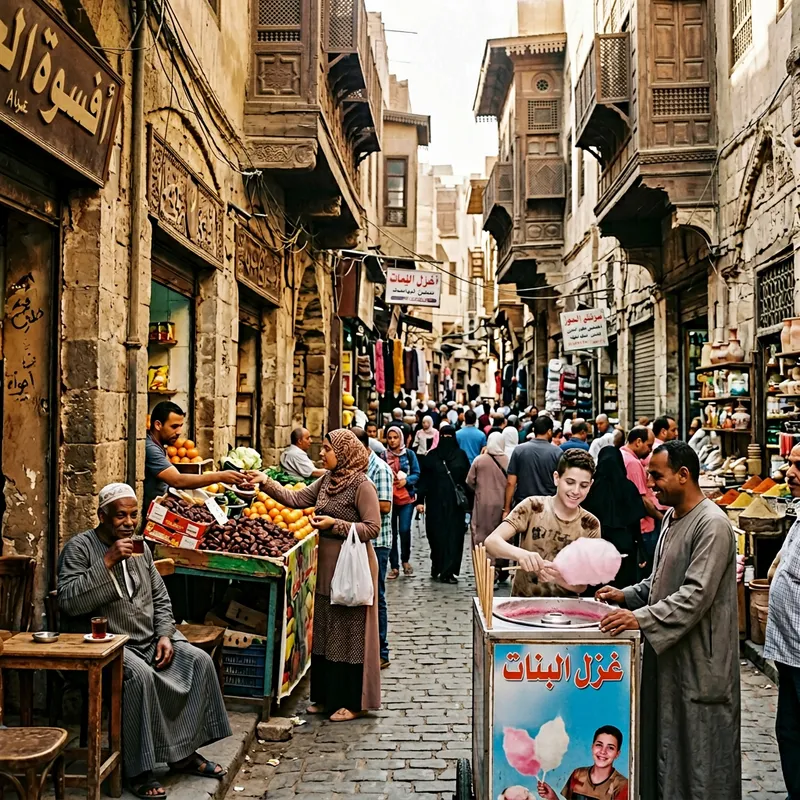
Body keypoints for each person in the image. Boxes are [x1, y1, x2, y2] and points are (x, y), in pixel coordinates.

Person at [58, 483, 231, 799]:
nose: (127, 522)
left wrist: (165, 634)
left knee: (199, 661)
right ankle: (137, 771)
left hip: (150, 639)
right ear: (102, 516)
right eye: (120, 516)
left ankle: (183, 754)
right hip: (109, 646)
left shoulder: (140, 546)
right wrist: (107, 562)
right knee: (139, 678)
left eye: (132, 515)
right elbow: (68, 601)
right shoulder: (79, 548)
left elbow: (160, 597)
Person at [597, 441, 740, 800]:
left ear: (684, 475)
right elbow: (661, 579)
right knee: (664, 750)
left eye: (657, 477)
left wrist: (639, 619)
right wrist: (626, 595)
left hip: (699, 665)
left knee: (700, 760)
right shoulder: (670, 519)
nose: (652, 485)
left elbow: (695, 594)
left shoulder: (713, 525)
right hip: (668, 661)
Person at [247, 429, 381, 722]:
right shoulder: (327, 481)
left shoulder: (362, 486)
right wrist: (265, 482)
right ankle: (325, 697)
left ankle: (352, 702)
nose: (321, 454)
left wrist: (336, 524)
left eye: (327, 450)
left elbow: (372, 528)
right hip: (327, 567)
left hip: (352, 566)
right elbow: (295, 499)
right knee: (326, 629)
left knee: (349, 633)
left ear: (343, 453)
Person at [487, 449, 600, 596]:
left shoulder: (591, 524)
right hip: (523, 604)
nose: (576, 491)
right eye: (570, 482)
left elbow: (582, 585)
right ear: (556, 478)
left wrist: (557, 577)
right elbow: (491, 542)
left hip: (565, 611)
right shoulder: (533, 507)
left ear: (591, 485)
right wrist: (521, 555)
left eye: (583, 485)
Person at [764, 444, 800, 796]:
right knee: (789, 729)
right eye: (790, 463)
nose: (790, 472)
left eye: (799, 465)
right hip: (789, 651)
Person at [144, 401, 244, 515]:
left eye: (181, 426)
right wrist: (220, 476)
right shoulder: (150, 448)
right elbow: (177, 480)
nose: (179, 432)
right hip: (154, 513)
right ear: (158, 425)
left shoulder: (159, 444)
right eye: (174, 426)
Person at [352, 427, 393, 670]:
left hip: (377, 544)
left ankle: (382, 650)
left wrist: (356, 503)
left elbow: (385, 506)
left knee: (376, 596)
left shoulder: (380, 469)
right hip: (358, 541)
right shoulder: (355, 469)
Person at [582, 447, 645, 588]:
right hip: (624, 547)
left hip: (596, 546)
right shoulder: (628, 488)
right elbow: (635, 523)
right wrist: (641, 548)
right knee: (622, 587)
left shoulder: (590, 489)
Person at [415, 425, 470, 583]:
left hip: (452, 505)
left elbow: (467, 480)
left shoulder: (457, 456)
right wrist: (419, 501)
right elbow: (424, 480)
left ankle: (448, 571)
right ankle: (438, 564)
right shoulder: (435, 456)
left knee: (452, 537)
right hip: (436, 504)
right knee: (437, 536)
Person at [537, 725, 628, 800]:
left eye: (610, 748)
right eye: (599, 745)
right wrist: (552, 797)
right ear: (592, 747)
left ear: (617, 754)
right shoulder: (578, 775)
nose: (603, 751)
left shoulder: (622, 785)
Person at [621, 427, 662, 575]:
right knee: (648, 571)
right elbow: (642, 499)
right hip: (644, 526)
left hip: (632, 525)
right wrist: (662, 518)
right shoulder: (632, 463)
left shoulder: (621, 455)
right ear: (638, 442)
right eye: (649, 445)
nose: (650, 451)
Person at [504, 415, 562, 514]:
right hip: (548, 506)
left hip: (523, 505)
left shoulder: (519, 450)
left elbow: (511, 483)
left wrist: (506, 509)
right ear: (549, 431)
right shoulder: (557, 452)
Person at [385, 426, 420, 579]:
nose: (392, 441)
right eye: (390, 438)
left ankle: (405, 559)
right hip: (389, 500)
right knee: (391, 533)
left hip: (406, 498)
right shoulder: (383, 456)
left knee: (404, 529)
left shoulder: (410, 454)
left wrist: (406, 481)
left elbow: (417, 473)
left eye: (395, 437)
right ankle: (394, 566)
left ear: (401, 438)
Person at [466, 432, 508, 551]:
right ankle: (497, 562)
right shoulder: (507, 460)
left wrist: (479, 489)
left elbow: (469, 480)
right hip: (501, 502)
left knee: (480, 532)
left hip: (482, 502)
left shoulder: (479, 460)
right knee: (499, 533)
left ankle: (482, 560)